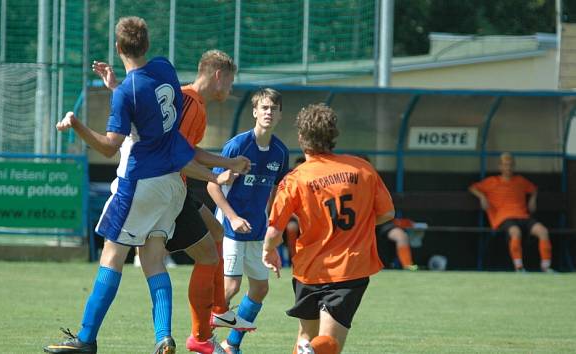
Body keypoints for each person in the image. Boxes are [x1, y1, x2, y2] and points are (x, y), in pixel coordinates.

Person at [43, 17, 235, 354]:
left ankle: (86, 339)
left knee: (112, 256)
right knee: (153, 259)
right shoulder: (164, 69)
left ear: (118, 48)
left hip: (140, 182)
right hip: (171, 186)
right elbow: (148, 107)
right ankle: (164, 337)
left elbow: (108, 146)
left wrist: (76, 124)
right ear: (147, 44)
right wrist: (115, 85)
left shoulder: (127, 93)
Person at [92, 49, 256, 354]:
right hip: (166, 189)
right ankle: (201, 336)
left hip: (175, 187)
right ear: (219, 75)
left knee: (213, 239)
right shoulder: (189, 102)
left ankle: (214, 315)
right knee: (201, 255)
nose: (231, 89)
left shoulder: (192, 102)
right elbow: (174, 153)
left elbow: (179, 145)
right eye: (231, 81)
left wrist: (226, 164)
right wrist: (217, 174)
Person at [262, 103, 395, 354]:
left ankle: (307, 350)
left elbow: (273, 232)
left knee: (306, 335)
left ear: (301, 137)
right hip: (349, 269)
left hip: (308, 269)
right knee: (328, 345)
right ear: (334, 135)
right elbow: (387, 212)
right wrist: (360, 226)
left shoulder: (295, 178)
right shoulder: (362, 168)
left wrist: (268, 251)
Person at [206, 88, 289, 354]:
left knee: (260, 288)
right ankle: (201, 340)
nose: (268, 112)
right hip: (230, 228)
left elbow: (277, 189)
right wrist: (233, 217)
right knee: (230, 287)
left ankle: (232, 345)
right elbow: (212, 186)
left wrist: (271, 226)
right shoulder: (238, 145)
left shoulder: (280, 151)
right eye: (264, 108)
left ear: (279, 115)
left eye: (273, 109)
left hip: (257, 229)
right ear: (254, 112)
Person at [469, 152, 553, 272]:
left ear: (514, 166)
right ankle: (519, 267)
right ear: (500, 167)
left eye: (510, 165)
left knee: (543, 231)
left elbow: (534, 189)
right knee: (515, 232)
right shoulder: (492, 181)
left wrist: (533, 199)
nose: (508, 167)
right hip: (504, 218)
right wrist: (482, 197)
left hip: (523, 216)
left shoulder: (520, 181)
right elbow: (472, 188)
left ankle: (546, 267)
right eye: (505, 165)